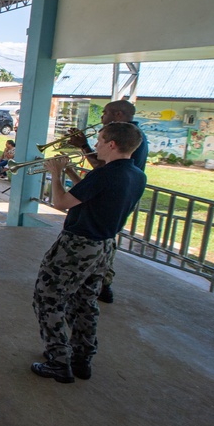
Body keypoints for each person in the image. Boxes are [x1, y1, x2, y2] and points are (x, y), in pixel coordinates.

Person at [31, 122, 146, 383]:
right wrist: (71, 170)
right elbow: (92, 194)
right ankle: (82, 358)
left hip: (78, 246)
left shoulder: (105, 174)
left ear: (112, 145)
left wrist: (56, 174)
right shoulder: (135, 174)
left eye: (101, 140)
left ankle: (58, 360)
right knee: (84, 301)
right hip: (103, 247)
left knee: (48, 298)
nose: (96, 145)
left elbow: (61, 202)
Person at [67, 100, 149, 303]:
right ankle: (99, 282)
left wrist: (84, 146)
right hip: (116, 194)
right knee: (105, 237)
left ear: (119, 114)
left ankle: (101, 282)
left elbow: (102, 168)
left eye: (105, 113)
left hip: (110, 197)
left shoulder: (126, 138)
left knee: (101, 237)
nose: (102, 117)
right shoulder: (134, 136)